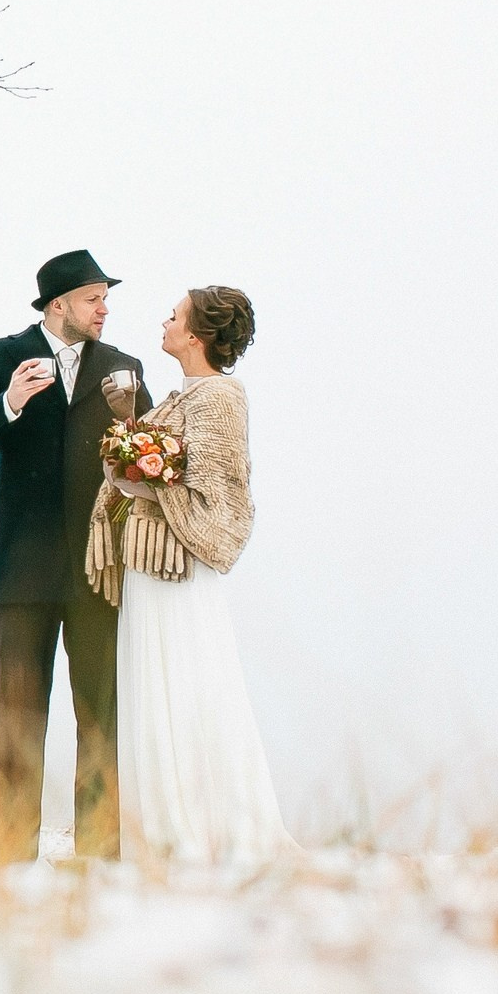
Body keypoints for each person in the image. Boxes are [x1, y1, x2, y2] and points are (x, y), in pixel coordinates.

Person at [0, 249, 154, 865]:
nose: (105, 309)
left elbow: (147, 458)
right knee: (19, 718)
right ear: (58, 305)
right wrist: (7, 404)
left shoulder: (125, 368)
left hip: (99, 570)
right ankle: (12, 856)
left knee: (99, 719)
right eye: (94, 298)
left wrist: (133, 424)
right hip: (22, 572)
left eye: (106, 298)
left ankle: (97, 858)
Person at [88, 286, 291, 866]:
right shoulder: (182, 397)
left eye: (175, 316)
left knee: (190, 686)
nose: (165, 321)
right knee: (153, 687)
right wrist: (127, 457)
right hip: (148, 565)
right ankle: (156, 826)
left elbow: (218, 489)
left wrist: (144, 475)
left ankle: (200, 826)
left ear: (197, 336)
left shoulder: (219, 399)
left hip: (180, 569)